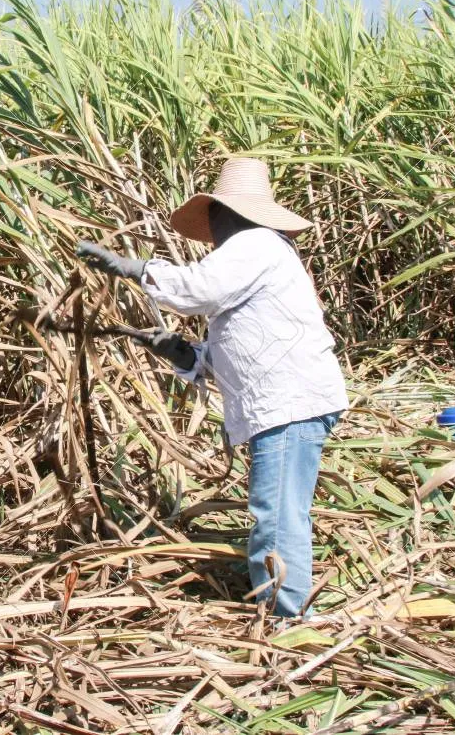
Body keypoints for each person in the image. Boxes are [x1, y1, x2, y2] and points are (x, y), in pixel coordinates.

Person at [77, 156, 348, 618]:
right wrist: (187, 356)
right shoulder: (260, 256)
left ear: (230, 213)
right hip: (287, 402)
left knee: (276, 515)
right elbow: (245, 346)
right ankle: (286, 606)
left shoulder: (256, 243)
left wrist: (135, 268)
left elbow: (198, 291)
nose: (213, 228)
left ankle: (290, 619)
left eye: (215, 216)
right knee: (278, 510)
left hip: (289, 404)